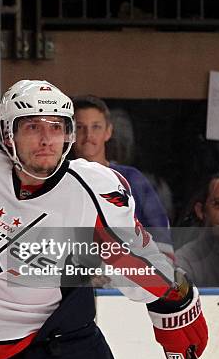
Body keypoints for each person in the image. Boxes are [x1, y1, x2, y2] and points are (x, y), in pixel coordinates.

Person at [0, 80, 208, 359]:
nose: (46, 140)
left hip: (63, 357)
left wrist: (175, 300)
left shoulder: (93, 187)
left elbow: (134, 257)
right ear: (7, 133)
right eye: (31, 127)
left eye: (56, 128)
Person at [72, 95, 174, 257]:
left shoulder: (132, 179)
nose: (88, 136)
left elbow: (161, 239)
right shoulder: (60, 180)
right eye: (80, 127)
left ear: (108, 131)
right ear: (69, 133)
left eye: (96, 127)